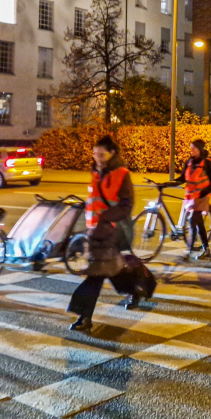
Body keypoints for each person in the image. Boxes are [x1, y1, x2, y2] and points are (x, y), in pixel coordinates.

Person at [68, 135, 152, 332]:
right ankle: (138, 289)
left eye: (101, 154)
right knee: (113, 271)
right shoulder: (96, 172)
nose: (97, 157)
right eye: (95, 153)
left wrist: (106, 217)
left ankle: (84, 316)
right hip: (97, 232)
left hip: (114, 231)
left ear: (112, 153)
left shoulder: (122, 174)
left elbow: (126, 205)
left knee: (96, 274)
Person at [171, 139, 211, 259]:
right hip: (190, 198)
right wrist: (168, 183)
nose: (191, 150)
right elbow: (183, 178)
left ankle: (189, 251)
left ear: (200, 149)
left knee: (193, 221)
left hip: (202, 197)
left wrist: (204, 192)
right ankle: (206, 250)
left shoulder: (207, 163)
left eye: (193, 148)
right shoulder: (189, 161)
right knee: (198, 223)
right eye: (191, 148)